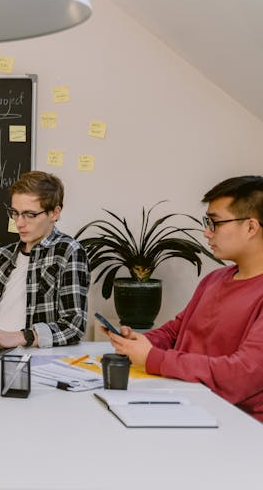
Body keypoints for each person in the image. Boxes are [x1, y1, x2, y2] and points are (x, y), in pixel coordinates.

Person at [107, 176, 263, 421]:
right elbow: (176, 332)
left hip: (235, 423)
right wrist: (139, 341)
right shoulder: (215, 279)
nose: (207, 232)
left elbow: (241, 375)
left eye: (215, 223)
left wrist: (153, 358)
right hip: (184, 401)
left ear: (251, 227)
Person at [0, 171, 89, 349]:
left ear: (54, 213)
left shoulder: (68, 252)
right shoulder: (3, 255)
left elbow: (73, 325)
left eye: (29, 215)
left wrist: (22, 337)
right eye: (15, 213)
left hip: (29, 355)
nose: (20, 223)